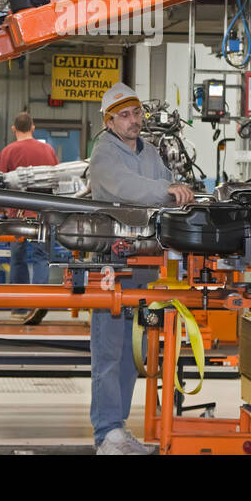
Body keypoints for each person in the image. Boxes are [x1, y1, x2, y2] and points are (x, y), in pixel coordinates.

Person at [86, 82, 194, 455]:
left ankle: (119, 431)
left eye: (137, 113)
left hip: (147, 262)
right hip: (114, 261)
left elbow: (166, 184)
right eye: (126, 115)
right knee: (108, 350)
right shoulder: (104, 154)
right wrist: (168, 192)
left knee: (134, 352)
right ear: (110, 121)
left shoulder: (149, 152)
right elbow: (127, 188)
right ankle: (106, 434)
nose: (135, 121)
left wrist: (176, 191)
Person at [0, 112, 58, 319]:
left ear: (14, 129)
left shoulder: (8, 152)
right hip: (44, 216)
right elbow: (58, 183)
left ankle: (20, 306)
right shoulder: (48, 150)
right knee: (42, 258)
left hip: (18, 218)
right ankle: (39, 303)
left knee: (18, 258)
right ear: (32, 127)